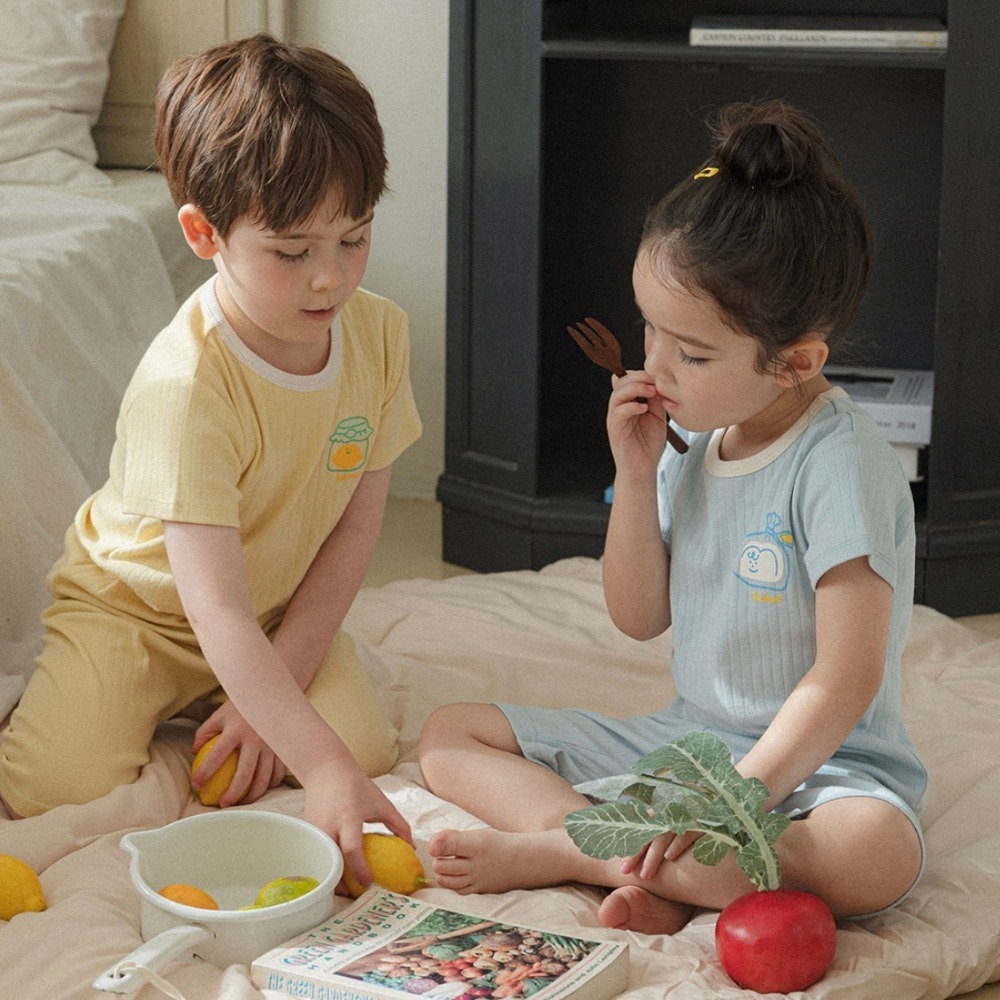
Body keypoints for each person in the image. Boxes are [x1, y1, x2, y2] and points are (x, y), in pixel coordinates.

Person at [418, 100, 926, 933]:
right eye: (650, 332)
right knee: (450, 734)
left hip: (823, 772)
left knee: (873, 852)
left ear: (795, 361)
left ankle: (580, 854)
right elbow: (639, 616)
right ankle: (642, 864)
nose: (656, 365)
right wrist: (636, 469)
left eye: (691, 354)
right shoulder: (687, 439)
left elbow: (845, 680)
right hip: (692, 745)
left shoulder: (842, 462)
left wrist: (740, 797)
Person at [0, 34, 421, 886]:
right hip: (140, 613)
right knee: (51, 785)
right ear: (203, 233)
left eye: (355, 238)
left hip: (269, 609)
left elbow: (351, 531)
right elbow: (212, 612)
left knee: (365, 744)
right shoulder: (187, 384)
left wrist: (281, 701)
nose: (328, 280)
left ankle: (238, 698)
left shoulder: (380, 335)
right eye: (293, 251)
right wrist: (312, 755)